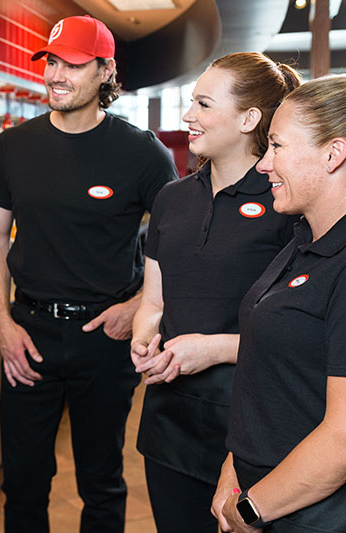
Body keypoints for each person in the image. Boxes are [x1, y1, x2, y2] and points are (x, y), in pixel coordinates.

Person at [0, 15, 177, 533]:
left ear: (105, 71)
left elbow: (178, 244)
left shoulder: (143, 153)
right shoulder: (12, 147)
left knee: (102, 482)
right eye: (51, 61)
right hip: (29, 332)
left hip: (105, 340)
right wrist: (2, 323)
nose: (56, 75)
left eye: (73, 63)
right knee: (22, 484)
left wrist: (137, 308)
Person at [129, 53, 301, 532]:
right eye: (191, 102)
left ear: (249, 119)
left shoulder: (288, 203)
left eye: (203, 104)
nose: (188, 116)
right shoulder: (172, 198)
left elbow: (304, 339)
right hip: (169, 420)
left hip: (252, 426)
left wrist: (215, 349)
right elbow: (155, 302)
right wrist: (144, 339)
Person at [210, 75, 346, 532]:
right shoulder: (304, 239)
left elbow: (343, 440)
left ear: (334, 154)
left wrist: (252, 508)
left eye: (278, 147)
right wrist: (235, 467)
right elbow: (268, 375)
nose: (264, 164)